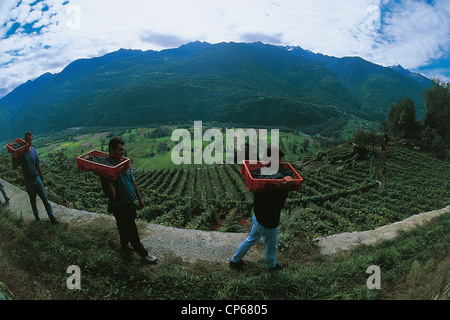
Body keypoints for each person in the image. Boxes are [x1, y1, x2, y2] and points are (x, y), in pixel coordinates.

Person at [230, 147, 294, 271]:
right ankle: (272, 266)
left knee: (251, 239)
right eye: (278, 160)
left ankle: (234, 261)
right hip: (268, 222)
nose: (280, 163)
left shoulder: (260, 173)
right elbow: (277, 204)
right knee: (271, 247)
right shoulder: (274, 183)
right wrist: (286, 188)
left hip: (258, 216)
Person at [101, 136, 157, 264]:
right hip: (119, 205)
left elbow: (132, 181)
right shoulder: (106, 169)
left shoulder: (124, 163)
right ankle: (144, 254)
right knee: (131, 229)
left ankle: (124, 245)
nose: (122, 152)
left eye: (123, 150)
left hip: (129, 203)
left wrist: (139, 198)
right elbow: (112, 195)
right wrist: (104, 178)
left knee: (123, 226)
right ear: (111, 149)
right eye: (120, 150)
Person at [12, 131, 57, 224]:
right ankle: (37, 218)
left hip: (37, 179)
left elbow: (38, 166)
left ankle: (53, 219)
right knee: (33, 201)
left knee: (45, 200)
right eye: (28, 140)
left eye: (31, 140)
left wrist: (42, 179)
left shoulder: (33, 151)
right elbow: (15, 167)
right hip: (28, 181)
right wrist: (14, 157)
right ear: (24, 140)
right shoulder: (20, 154)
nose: (29, 142)